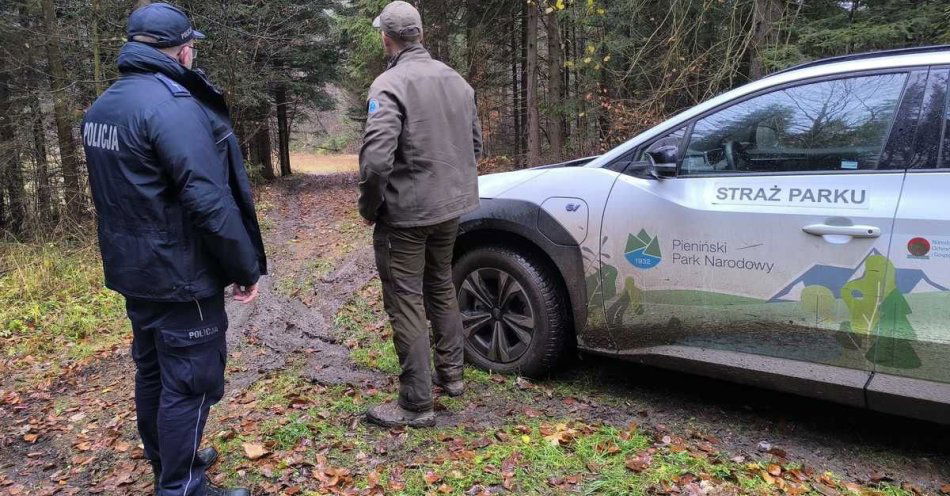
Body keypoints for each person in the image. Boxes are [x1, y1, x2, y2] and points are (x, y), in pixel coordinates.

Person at [82, 3, 266, 495]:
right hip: (180, 274)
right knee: (190, 381)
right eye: (192, 46)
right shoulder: (173, 106)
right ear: (182, 50)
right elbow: (208, 199)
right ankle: (181, 485)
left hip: (134, 270)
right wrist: (243, 265)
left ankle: (169, 461)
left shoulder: (104, 107)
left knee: (154, 370)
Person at [359, 1, 482, 428]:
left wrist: (370, 206)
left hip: (407, 215)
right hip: (450, 208)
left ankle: (415, 403)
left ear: (386, 38)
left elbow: (376, 161)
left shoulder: (389, 84)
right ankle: (452, 377)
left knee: (407, 300)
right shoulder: (456, 80)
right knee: (441, 286)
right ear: (421, 34)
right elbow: (475, 146)